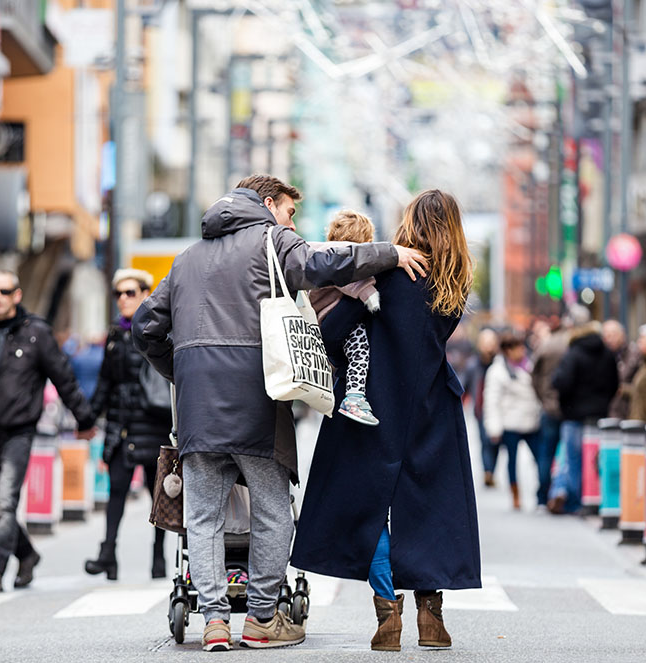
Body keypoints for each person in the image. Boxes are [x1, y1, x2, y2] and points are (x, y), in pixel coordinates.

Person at [133, 175, 427, 652]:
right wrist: (389, 253)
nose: (293, 221)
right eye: (290, 211)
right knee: (273, 512)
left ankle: (213, 622)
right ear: (269, 204)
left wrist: (180, 369)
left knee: (203, 518)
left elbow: (146, 326)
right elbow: (321, 262)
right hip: (257, 402)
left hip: (197, 410)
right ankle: (262, 618)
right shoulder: (272, 238)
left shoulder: (186, 259)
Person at [291, 189, 480, 653]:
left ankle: (387, 613)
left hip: (371, 403)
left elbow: (334, 331)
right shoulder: (454, 282)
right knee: (428, 507)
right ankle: (431, 617)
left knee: (367, 506)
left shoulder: (389, 272)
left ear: (409, 225)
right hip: (431, 403)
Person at [0, 269, 97, 593]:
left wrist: (85, 420)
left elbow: (64, 379)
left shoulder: (37, 334)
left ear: (17, 295)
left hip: (19, 431)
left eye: (4, 292)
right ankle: (28, 555)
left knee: (5, 503)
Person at [84, 268, 173, 581]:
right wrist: (87, 418)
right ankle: (108, 554)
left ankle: (159, 557)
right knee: (116, 491)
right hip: (122, 426)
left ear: (146, 295)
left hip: (153, 424)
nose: (123, 299)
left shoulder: (157, 330)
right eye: (118, 294)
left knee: (159, 496)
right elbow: (105, 384)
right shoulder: (115, 337)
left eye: (130, 293)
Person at [309, 210, 383, 426]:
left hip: (322, 317)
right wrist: (371, 296)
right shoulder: (340, 259)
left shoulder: (324, 255)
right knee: (360, 352)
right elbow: (351, 282)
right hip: (330, 314)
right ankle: (354, 398)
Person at [547, 313, 619, 515]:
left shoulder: (574, 353)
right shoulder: (607, 353)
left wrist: (566, 401)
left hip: (574, 415)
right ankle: (595, 499)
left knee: (574, 460)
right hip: (599, 416)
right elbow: (614, 384)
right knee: (596, 460)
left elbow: (562, 382)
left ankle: (576, 501)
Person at [482, 333, 542, 510]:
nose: (522, 351)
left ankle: (543, 492)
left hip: (531, 420)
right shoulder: (497, 371)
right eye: (518, 348)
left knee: (541, 458)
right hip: (510, 422)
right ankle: (515, 494)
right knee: (512, 460)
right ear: (508, 350)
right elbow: (491, 401)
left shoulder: (529, 365)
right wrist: (493, 428)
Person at [530, 317, 569, 506]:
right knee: (570, 454)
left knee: (546, 453)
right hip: (569, 407)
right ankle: (564, 494)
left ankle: (542, 495)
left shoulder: (545, 345)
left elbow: (534, 375)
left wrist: (542, 397)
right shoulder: (571, 343)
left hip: (549, 406)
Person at [462, 329, 498, 487]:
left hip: (497, 409)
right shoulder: (472, 364)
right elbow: (464, 386)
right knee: (484, 440)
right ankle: (488, 472)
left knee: (495, 442)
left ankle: (491, 470)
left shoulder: (499, 362)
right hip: (481, 409)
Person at [603, 320, 639, 420]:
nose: (609, 339)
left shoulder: (634, 355)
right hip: (607, 412)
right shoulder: (602, 355)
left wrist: (623, 390)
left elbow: (641, 387)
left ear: (622, 335)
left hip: (627, 412)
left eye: (612, 335)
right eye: (606, 336)